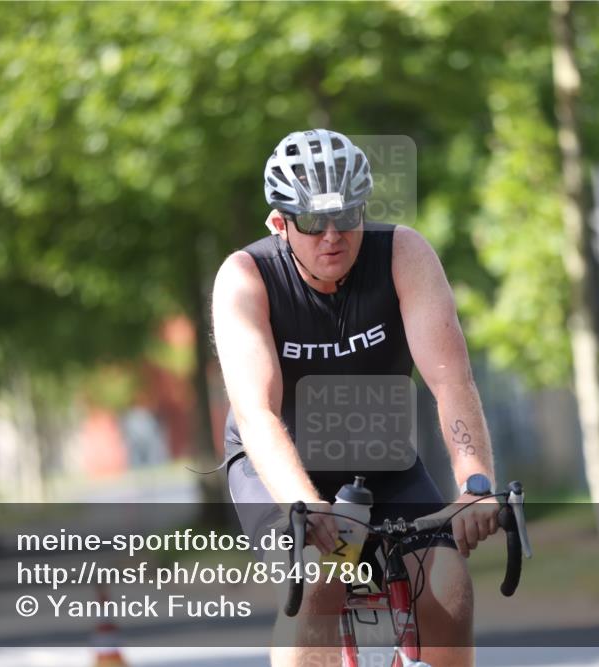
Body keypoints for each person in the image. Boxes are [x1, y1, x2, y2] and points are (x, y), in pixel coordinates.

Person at [212, 128, 500, 667]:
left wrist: (476, 483)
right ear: (279, 223)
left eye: (346, 217)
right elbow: (257, 412)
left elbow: (451, 380)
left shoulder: (403, 253)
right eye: (311, 222)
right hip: (279, 462)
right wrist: (307, 503)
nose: (331, 236)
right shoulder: (246, 277)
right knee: (324, 578)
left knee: (447, 581)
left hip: (377, 456)